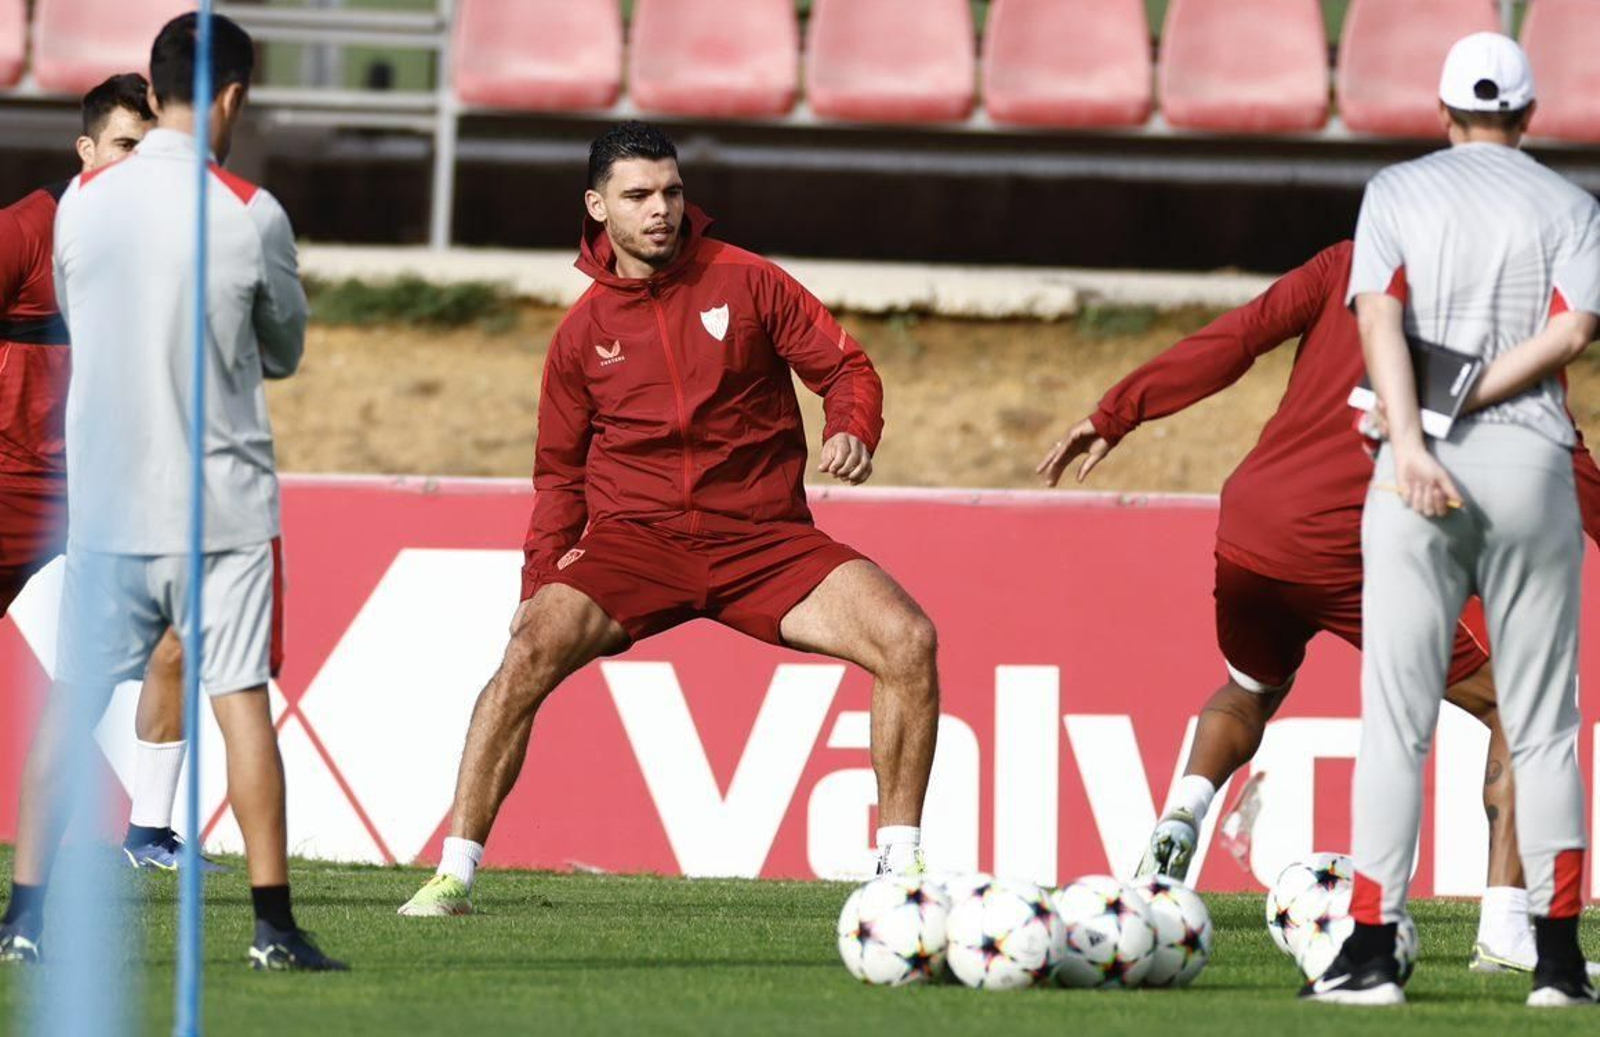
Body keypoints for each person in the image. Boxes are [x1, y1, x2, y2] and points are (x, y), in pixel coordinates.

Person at [398, 121, 940, 917]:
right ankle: (454, 873)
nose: (661, 209)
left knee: (908, 639)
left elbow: (847, 368)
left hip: (763, 540)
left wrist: (852, 426)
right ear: (598, 207)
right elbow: (558, 476)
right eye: (638, 195)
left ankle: (900, 870)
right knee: (527, 653)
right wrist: (540, 580)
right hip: (636, 546)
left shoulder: (749, 281)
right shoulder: (581, 333)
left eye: (672, 192)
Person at [1041, 236, 1600, 975]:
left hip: (1252, 526)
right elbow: (1562, 459)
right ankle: (1506, 929)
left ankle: (1184, 813)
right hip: (1358, 545)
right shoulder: (1517, 317)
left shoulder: (1350, 260)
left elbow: (1236, 338)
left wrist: (1117, 412)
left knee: (1251, 687)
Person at [0, 14, 343, 971]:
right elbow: (283, 350)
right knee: (240, 702)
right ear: (235, 96)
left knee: (72, 703)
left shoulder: (78, 206)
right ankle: (273, 928)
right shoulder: (252, 212)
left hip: (104, 502)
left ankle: (23, 918)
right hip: (217, 508)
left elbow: (80, 315)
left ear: (152, 95)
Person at [1310, 33, 1600, 1006]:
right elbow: (1571, 330)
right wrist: (1477, 398)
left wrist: (1413, 438)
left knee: (1395, 721)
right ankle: (1557, 962)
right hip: (1531, 464)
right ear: (1528, 116)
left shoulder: (1395, 190)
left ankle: (1368, 953)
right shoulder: (1572, 205)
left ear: (1442, 112)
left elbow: (1378, 319)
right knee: (1544, 723)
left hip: (1412, 473)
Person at [0, 73, 223, 875]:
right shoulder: (25, 232)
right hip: (12, 486)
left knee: (173, 637)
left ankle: (151, 832)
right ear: (86, 150)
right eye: (125, 145)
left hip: (109, 491)